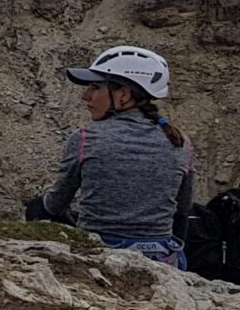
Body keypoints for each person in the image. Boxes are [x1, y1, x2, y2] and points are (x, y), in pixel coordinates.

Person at [37, 45, 196, 266]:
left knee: (36, 207)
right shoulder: (180, 142)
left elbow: (55, 205)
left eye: (95, 87)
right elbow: (183, 209)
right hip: (162, 256)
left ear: (123, 96)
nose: (85, 96)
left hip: (100, 253)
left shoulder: (85, 137)